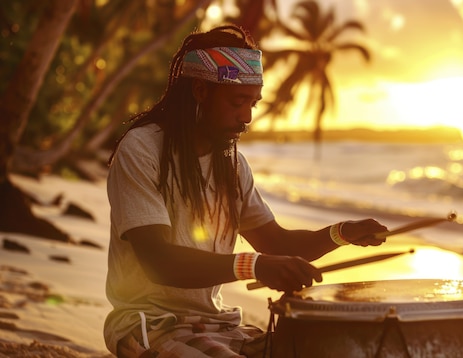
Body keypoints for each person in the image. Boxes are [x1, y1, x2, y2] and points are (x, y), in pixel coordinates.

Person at [104, 24, 388, 357]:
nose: (247, 117)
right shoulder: (141, 149)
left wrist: (342, 233)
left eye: (253, 103)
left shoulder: (233, 167)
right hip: (149, 324)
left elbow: (277, 243)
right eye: (238, 101)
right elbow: (158, 261)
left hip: (216, 324)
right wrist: (253, 266)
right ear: (200, 91)